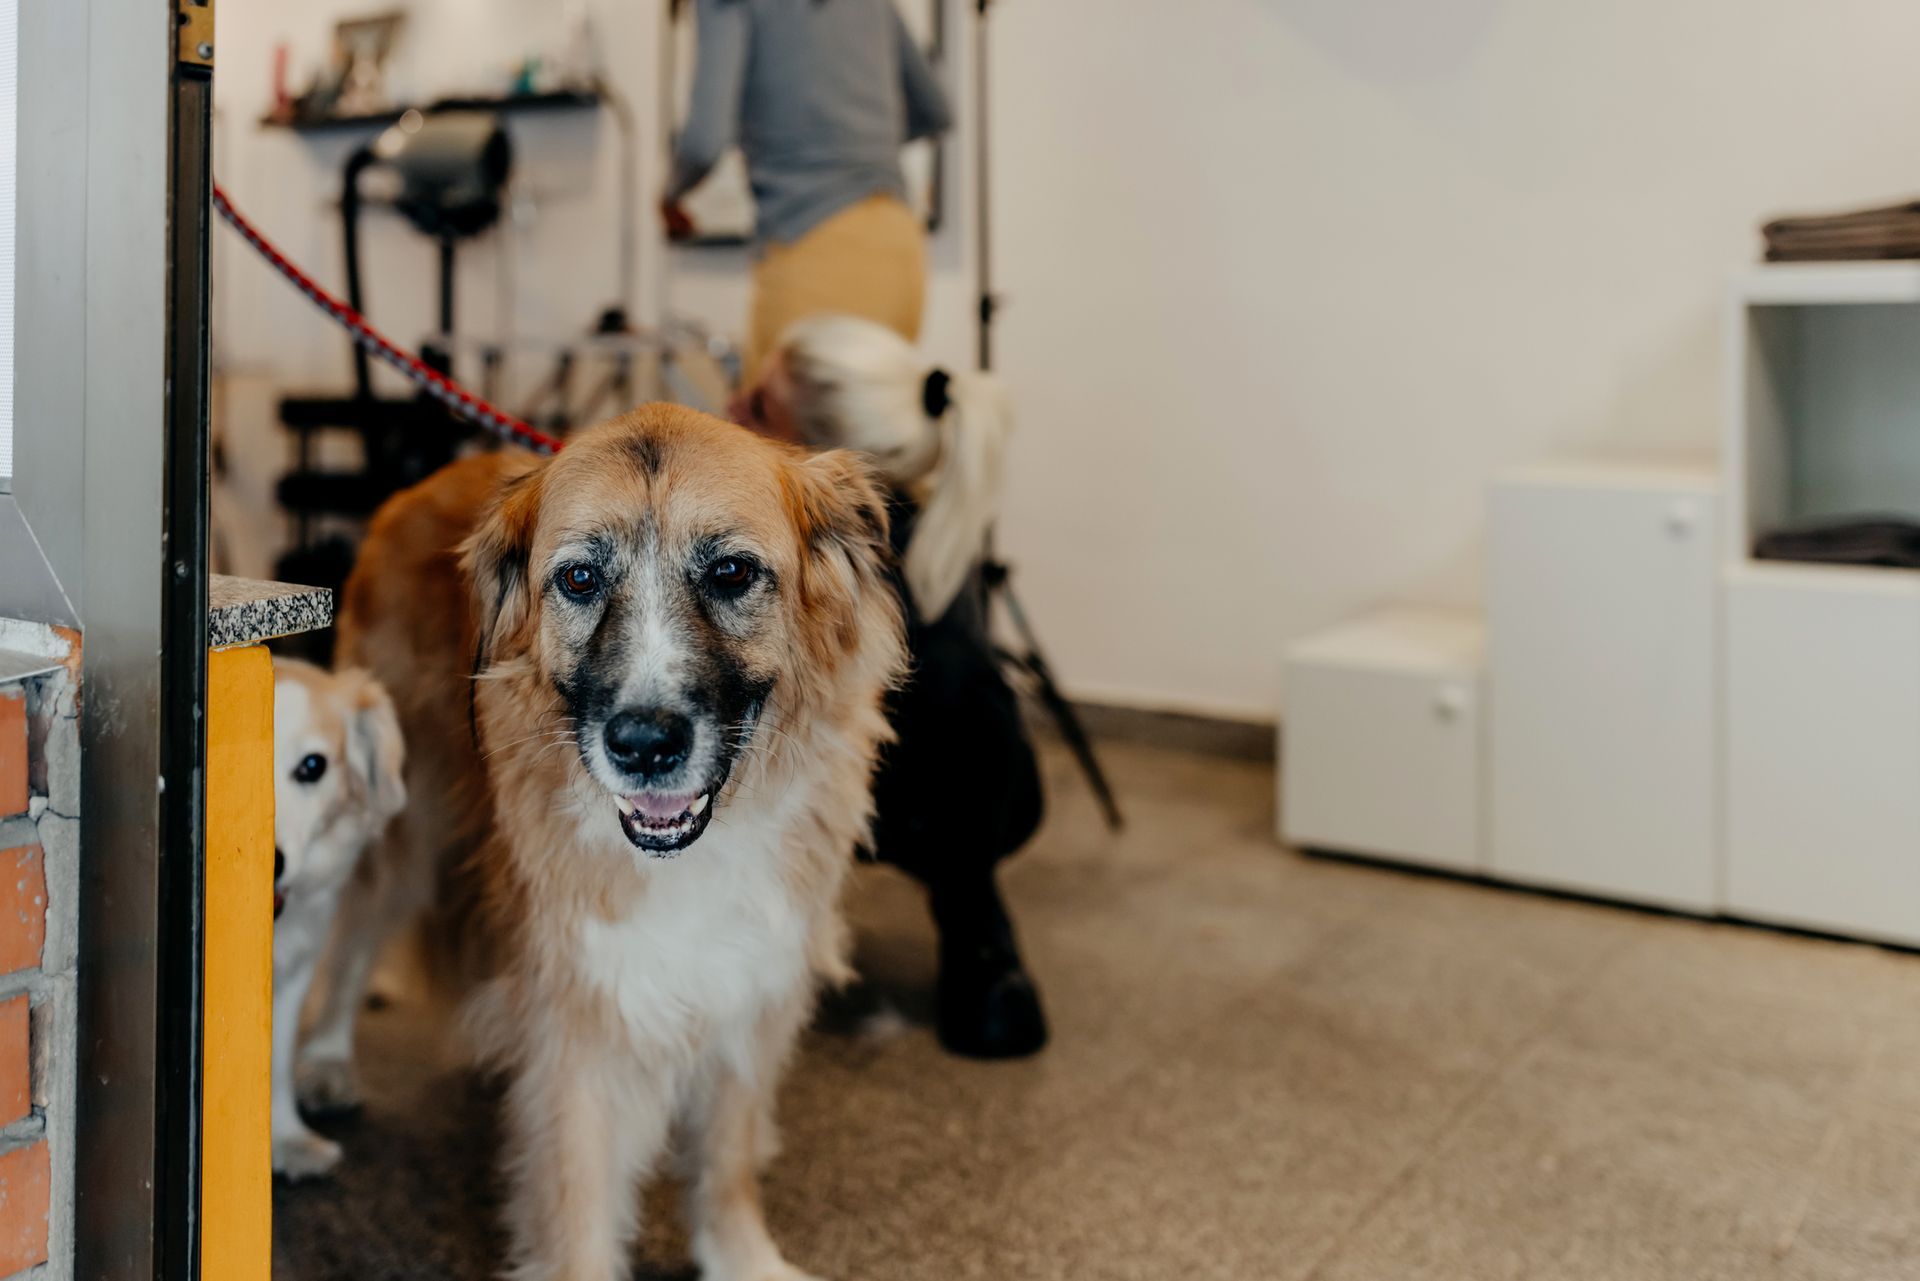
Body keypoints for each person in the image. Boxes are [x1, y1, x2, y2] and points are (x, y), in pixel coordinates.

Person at [735, 314, 1049, 1059]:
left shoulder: (826, 553)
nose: (731, 405)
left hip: (893, 796)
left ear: (816, 452)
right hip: (1000, 791)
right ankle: (985, 948)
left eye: (756, 407)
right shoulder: (927, 513)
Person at [664, 0, 952, 382]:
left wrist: (669, 195)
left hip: (813, 246)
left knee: (772, 436)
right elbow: (936, 112)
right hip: (899, 243)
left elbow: (704, 143)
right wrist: (858, 141)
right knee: (873, 435)